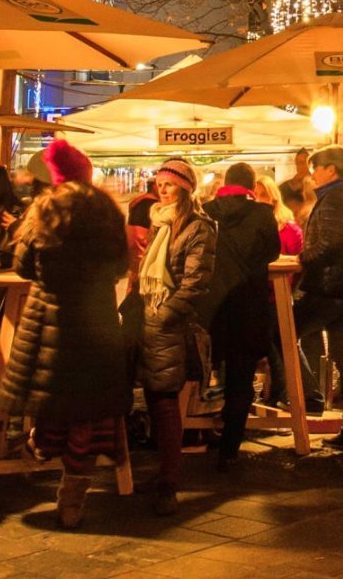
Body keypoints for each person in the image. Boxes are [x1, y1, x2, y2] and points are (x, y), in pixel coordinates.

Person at [0, 140, 130, 528]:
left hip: (49, 324)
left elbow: (23, 266)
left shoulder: (44, 209)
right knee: (87, 416)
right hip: (96, 324)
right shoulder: (108, 212)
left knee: (49, 402)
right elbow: (121, 267)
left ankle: (38, 447)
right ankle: (71, 500)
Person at [136, 157, 216, 514]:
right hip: (148, 318)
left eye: (168, 184)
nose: (161, 189)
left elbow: (195, 282)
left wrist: (165, 314)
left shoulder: (198, 227)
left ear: (184, 188)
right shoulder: (160, 222)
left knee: (166, 401)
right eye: (158, 182)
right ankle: (161, 475)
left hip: (168, 324)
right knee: (154, 400)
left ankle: (169, 483)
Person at [201, 162, 282, 470]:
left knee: (204, 371)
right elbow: (272, 253)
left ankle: (196, 433)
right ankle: (230, 448)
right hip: (248, 306)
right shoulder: (262, 214)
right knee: (241, 379)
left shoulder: (207, 211)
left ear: (225, 183)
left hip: (211, 308)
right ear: (250, 186)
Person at [296, 145, 343, 452]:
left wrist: (303, 258)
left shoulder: (336, 198)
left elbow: (327, 243)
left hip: (328, 288)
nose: (312, 173)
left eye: (316, 167)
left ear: (332, 170)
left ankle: (309, 398)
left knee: (278, 334)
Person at [254, 175, 305, 255]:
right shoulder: (249, 227)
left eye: (263, 195)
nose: (258, 200)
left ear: (273, 199)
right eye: (254, 196)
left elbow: (298, 263)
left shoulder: (290, 229)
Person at [280, 147, 316, 225]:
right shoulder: (285, 187)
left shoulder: (316, 184)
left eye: (302, 163)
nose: (299, 166)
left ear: (309, 164)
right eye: (297, 163)